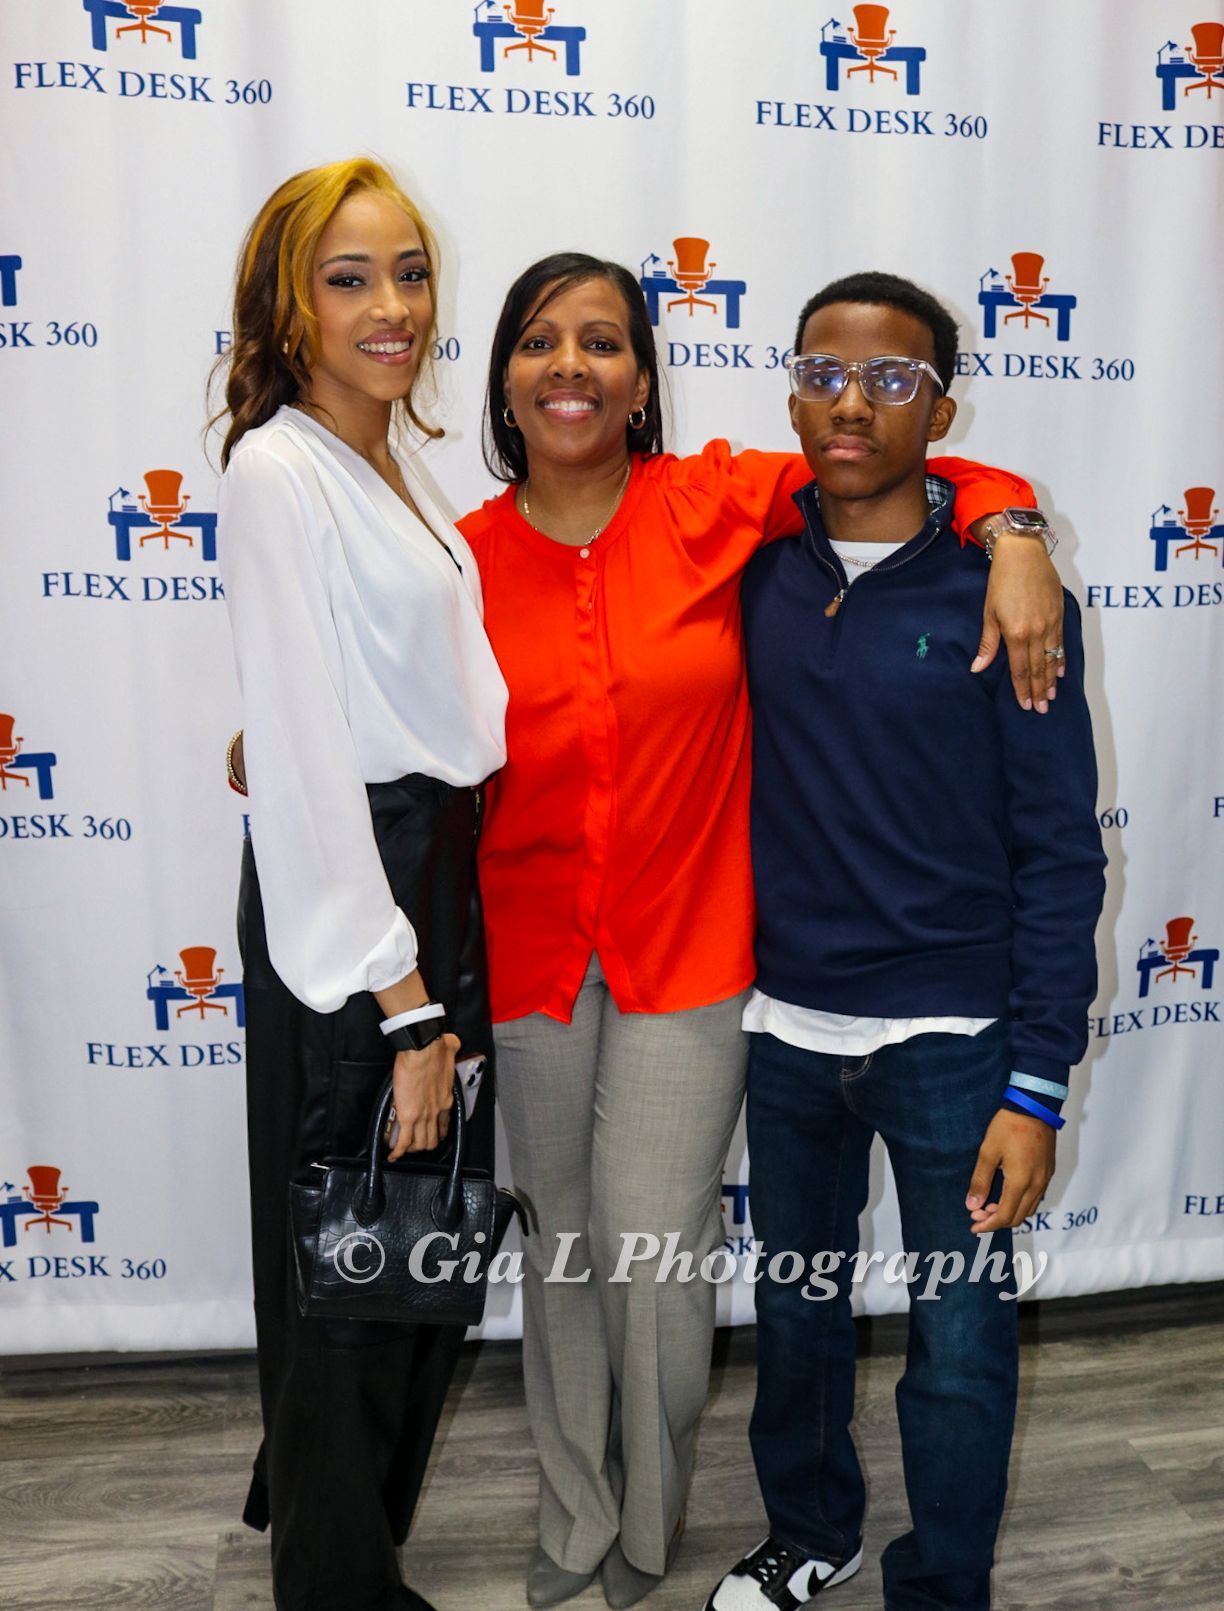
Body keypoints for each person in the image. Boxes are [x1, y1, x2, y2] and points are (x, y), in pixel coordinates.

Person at [455, 254, 1068, 1609]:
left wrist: (1018, 533)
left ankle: (654, 1521)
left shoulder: (709, 504)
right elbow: (388, 704)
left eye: (603, 342)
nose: (572, 366)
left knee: (657, 1253)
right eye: (542, 343)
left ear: (641, 378)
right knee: (561, 1247)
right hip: (534, 953)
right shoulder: (461, 557)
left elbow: (879, 463)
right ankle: (575, 1515)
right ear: (503, 373)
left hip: (690, 949)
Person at [705, 272, 1106, 1611]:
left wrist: (1035, 1081)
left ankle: (942, 1585)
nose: (851, 403)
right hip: (787, 1033)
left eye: (890, 379)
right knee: (800, 1319)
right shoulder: (749, 570)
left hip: (954, 1045)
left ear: (943, 402)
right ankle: (810, 1532)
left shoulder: (1009, 591)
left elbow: (1059, 853)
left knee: (958, 1339)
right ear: (790, 388)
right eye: (824, 371)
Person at [214, 159, 507, 1611]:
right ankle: (336, 1584)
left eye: (408, 272)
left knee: (409, 1241)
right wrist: (403, 1004)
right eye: (349, 278)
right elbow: (316, 777)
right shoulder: (279, 464)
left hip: (428, 874)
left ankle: (332, 1520)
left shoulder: (384, 453)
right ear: (287, 304)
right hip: (367, 903)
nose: (393, 306)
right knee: (357, 1251)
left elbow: (346, 692)